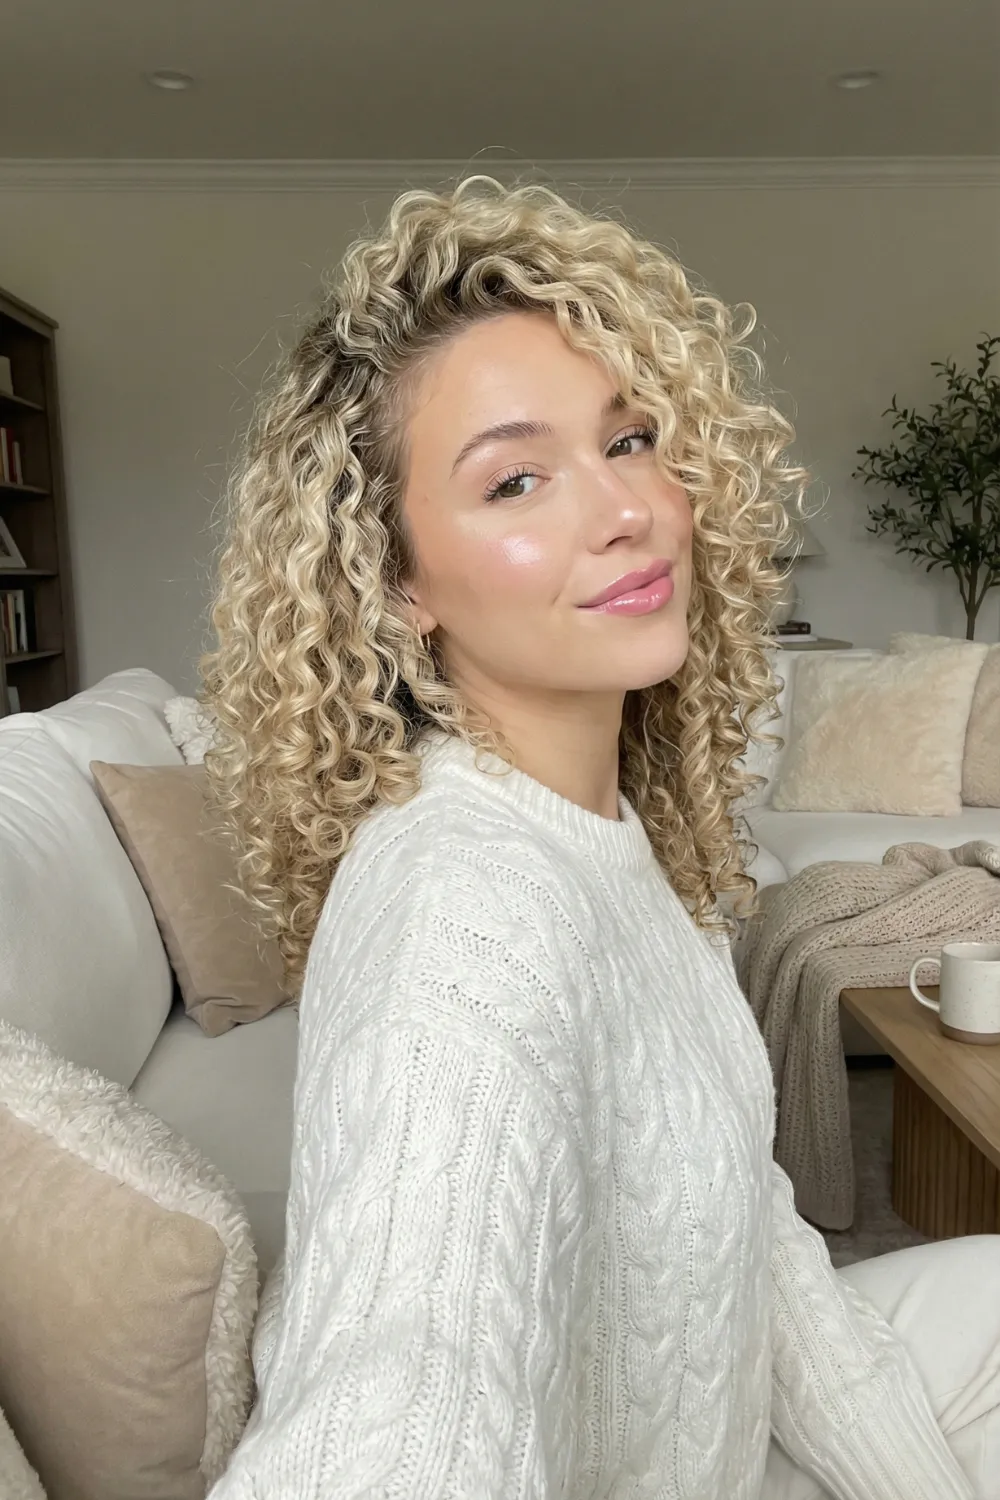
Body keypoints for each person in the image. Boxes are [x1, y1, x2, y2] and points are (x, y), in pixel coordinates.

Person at [202, 177, 999, 1498]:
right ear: (395, 586)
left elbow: (760, 1239)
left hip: (715, 1427)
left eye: (629, 441)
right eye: (516, 479)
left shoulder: (623, 836)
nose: (623, 509)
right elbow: (403, 1394)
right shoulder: (460, 906)